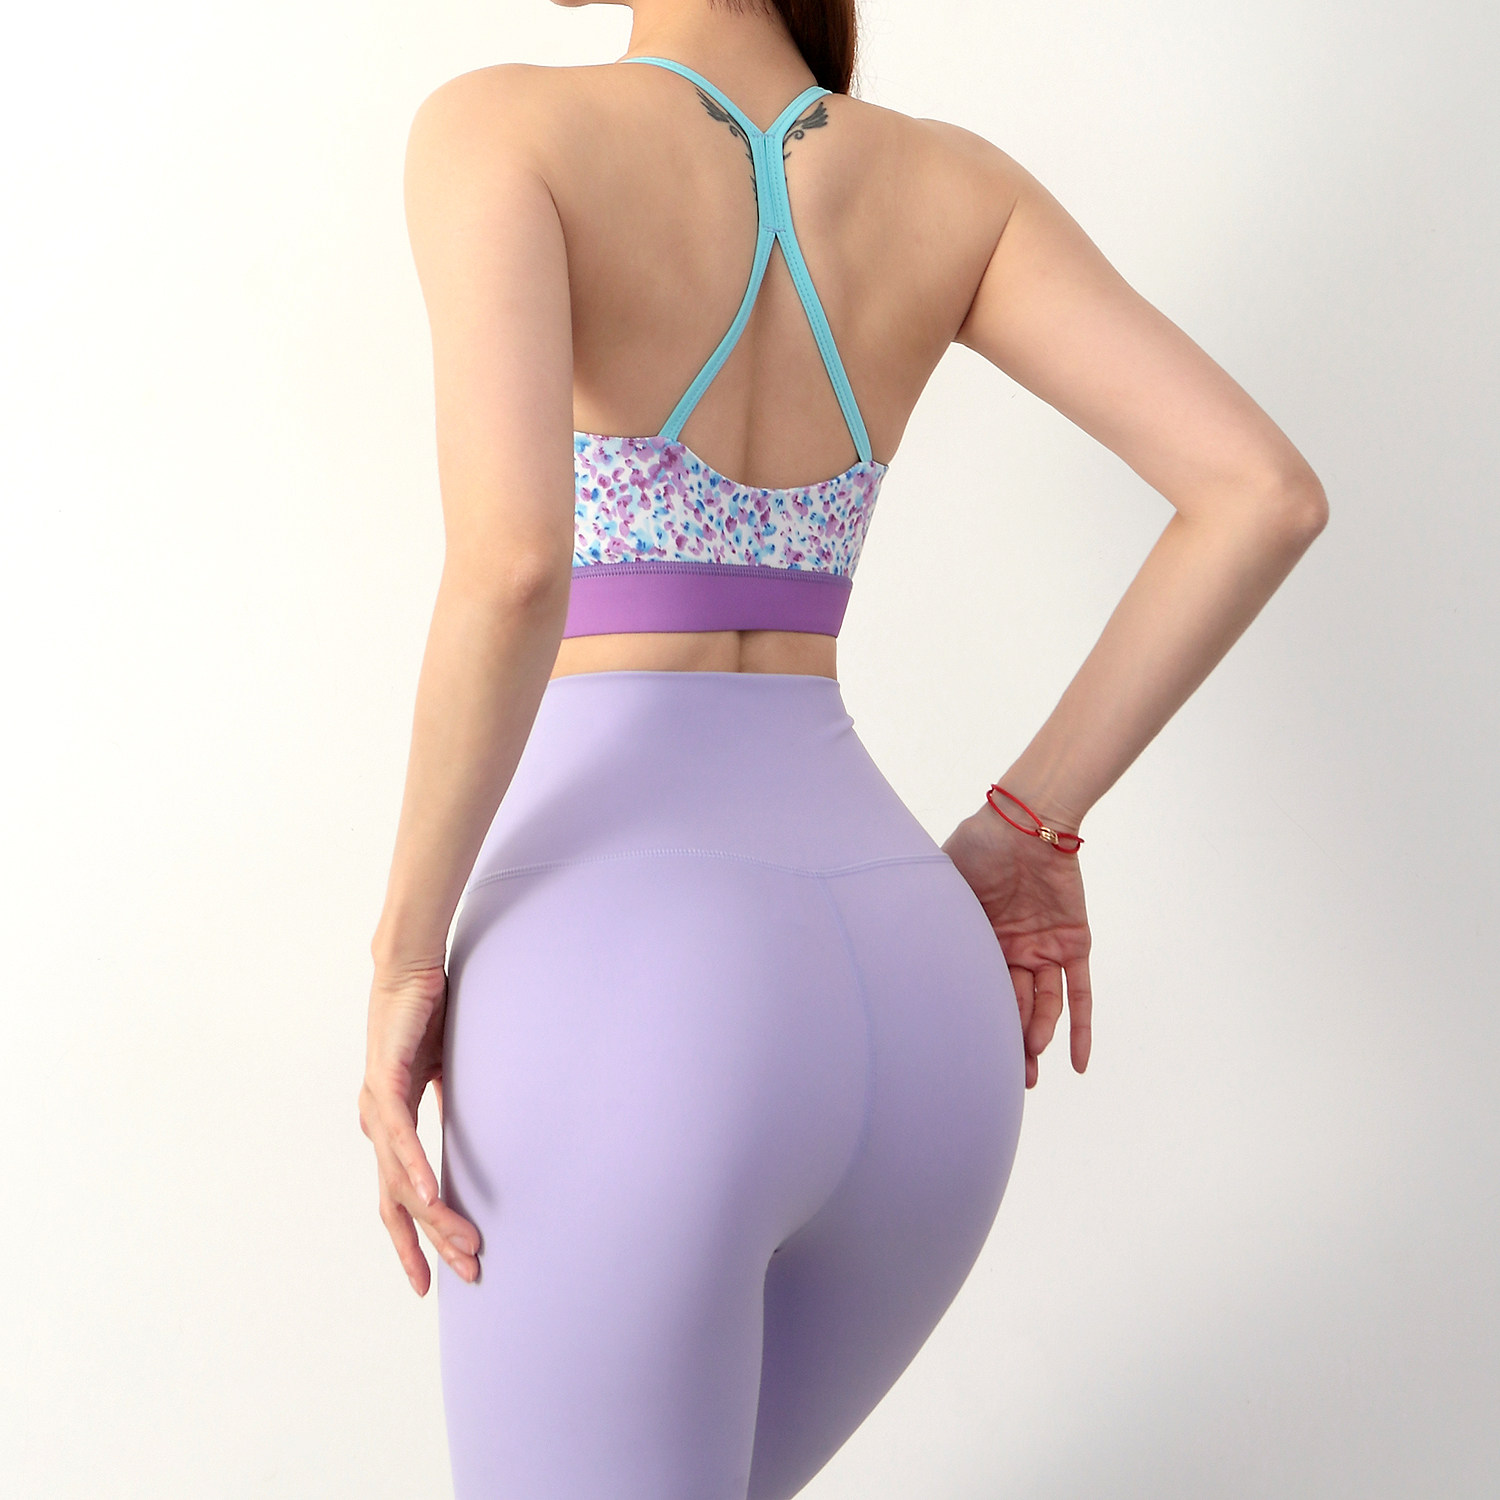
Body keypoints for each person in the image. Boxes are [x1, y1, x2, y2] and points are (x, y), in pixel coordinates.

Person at [357, 0, 1328, 1494]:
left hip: (632, 980)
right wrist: (1030, 826)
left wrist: (404, 960)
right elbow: (1259, 492)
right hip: (917, 991)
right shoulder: (956, 186)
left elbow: (514, 568)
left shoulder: (499, 129)